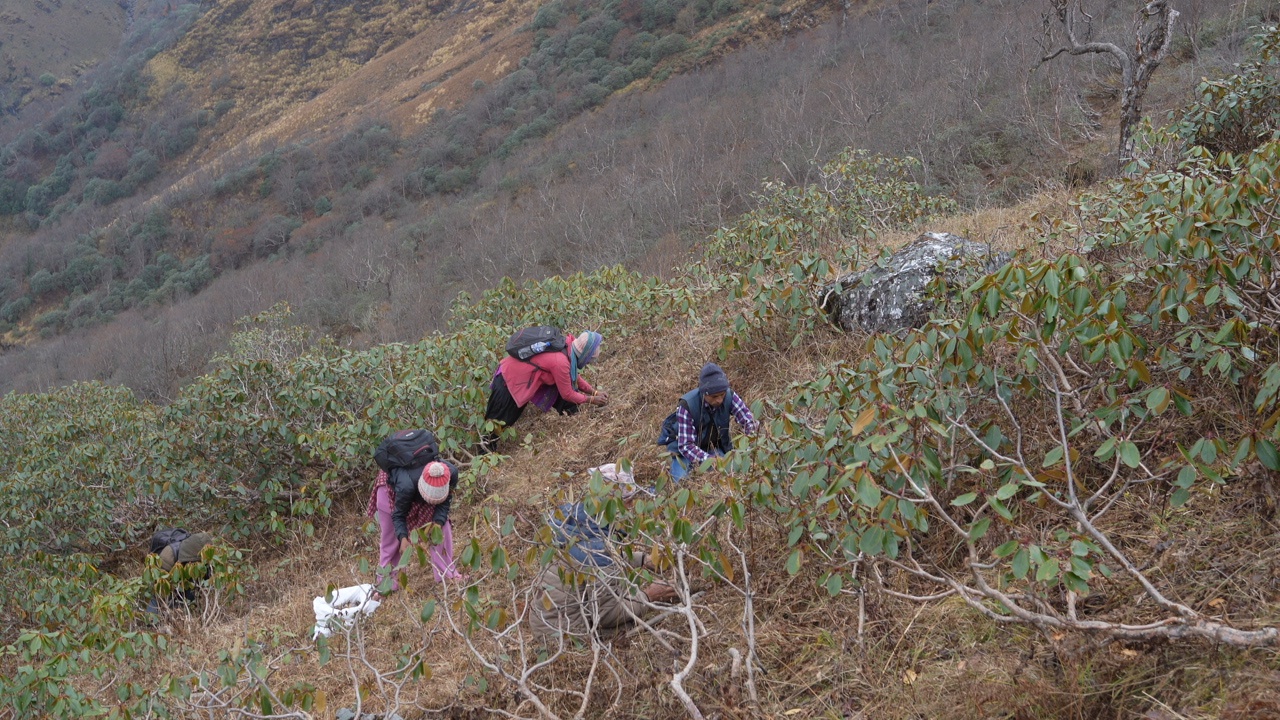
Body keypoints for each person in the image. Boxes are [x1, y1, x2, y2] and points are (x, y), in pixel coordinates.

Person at [529, 500, 677, 639]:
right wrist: (649, 596)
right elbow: (607, 615)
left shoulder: (570, 532)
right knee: (636, 624)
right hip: (568, 636)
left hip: (544, 624)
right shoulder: (597, 552)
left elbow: (596, 558)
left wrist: (642, 559)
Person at [482, 330, 609, 452]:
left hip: (520, 376)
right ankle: (485, 455)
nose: (589, 363)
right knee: (499, 421)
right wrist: (592, 399)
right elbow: (567, 393)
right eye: (590, 359)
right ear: (585, 354)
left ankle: (577, 419)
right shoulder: (560, 361)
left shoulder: (567, 345)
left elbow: (573, 376)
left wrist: (594, 392)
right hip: (509, 380)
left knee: (564, 391)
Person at [367, 449, 464, 599]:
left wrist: (437, 522)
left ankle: (447, 575)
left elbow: (444, 503)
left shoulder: (450, 474)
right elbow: (398, 515)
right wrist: (403, 538)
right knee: (391, 539)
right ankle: (387, 584)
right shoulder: (405, 486)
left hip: (421, 487)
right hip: (390, 490)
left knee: (442, 528)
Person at [666, 362, 758, 481]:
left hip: (714, 448)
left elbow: (748, 420)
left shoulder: (729, 395)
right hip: (684, 453)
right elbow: (686, 446)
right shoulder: (686, 406)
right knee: (680, 483)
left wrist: (749, 448)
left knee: (734, 476)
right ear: (704, 393)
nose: (720, 400)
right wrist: (710, 461)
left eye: (722, 395)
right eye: (714, 396)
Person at [145, 529, 214, 614]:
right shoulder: (168, 556)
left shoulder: (207, 557)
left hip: (187, 576)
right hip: (170, 576)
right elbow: (159, 590)